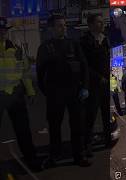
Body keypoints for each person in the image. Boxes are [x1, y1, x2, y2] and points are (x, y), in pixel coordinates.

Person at [36, 15, 90, 167]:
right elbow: (40, 74)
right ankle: (55, 156)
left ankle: (79, 156)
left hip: (75, 92)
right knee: (54, 127)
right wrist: (48, 92)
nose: (64, 28)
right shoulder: (45, 47)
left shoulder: (73, 44)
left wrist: (85, 87)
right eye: (60, 25)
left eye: (65, 25)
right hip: (55, 92)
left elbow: (84, 66)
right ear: (52, 28)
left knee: (77, 125)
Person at [0, 16, 41, 171]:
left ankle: (32, 161)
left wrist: (30, 92)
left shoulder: (16, 49)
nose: (2, 33)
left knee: (23, 131)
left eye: (4, 30)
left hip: (15, 93)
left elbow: (24, 73)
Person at [80, 14, 110, 158]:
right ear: (90, 25)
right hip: (93, 85)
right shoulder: (84, 41)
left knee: (106, 115)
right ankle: (87, 145)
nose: (102, 24)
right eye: (99, 22)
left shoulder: (105, 40)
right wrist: (99, 78)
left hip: (105, 85)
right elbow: (84, 65)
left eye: (102, 22)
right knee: (90, 116)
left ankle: (108, 140)